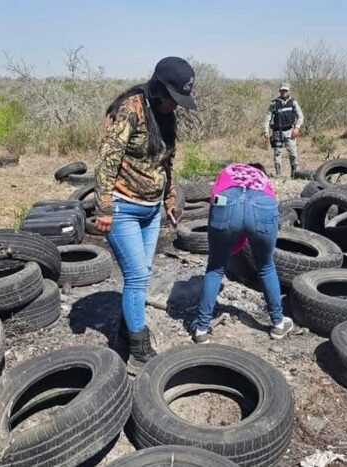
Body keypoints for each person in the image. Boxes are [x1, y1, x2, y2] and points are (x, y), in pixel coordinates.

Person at [93, 57, 197, 373]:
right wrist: (104, 207)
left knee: (143, 272)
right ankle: (138, 350)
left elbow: (167, 163)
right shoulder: (129, 110)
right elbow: (107, 160)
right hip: (123, 207)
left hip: (151, 210)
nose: (174, 106)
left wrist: (168, 199)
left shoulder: (167, 118)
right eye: (172, 99)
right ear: (157, 88)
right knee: (137, 276)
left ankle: (125, 334)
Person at [192, 162, 293, 344]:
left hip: (226, 201)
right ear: (259, 170)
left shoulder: (228, 171)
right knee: (266, 266)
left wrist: (227, 248)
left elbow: (214, 203)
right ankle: (278, 323)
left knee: (215, 268)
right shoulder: (263, 179)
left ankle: (201, 329)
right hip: (263, 203)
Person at [262, 83, 304, 177]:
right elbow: (268, 117)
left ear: (288, 91)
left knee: (293, 154)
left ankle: (294, 174)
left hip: (290, 131)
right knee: (277, 153)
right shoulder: (274, 103)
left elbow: (300, 116)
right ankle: (278, 174)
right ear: (279, 91)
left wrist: (297, 128)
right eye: (282, 90)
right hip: (277, 132)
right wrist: (266, 130)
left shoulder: (293, 102)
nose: (283, 92)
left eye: (285, 90)